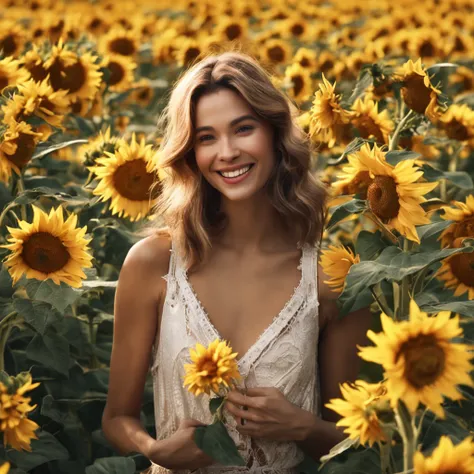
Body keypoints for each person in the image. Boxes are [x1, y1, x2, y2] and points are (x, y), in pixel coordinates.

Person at [101, 51, 373, 474]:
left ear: (275, 134)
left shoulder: (331, 279)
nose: (226, 152)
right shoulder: (153, 263)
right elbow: (117, 417)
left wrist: (302, 426)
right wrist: (154, 449)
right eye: (206, 137)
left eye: (243, 129)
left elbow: (352, 445)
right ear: (190, 152)